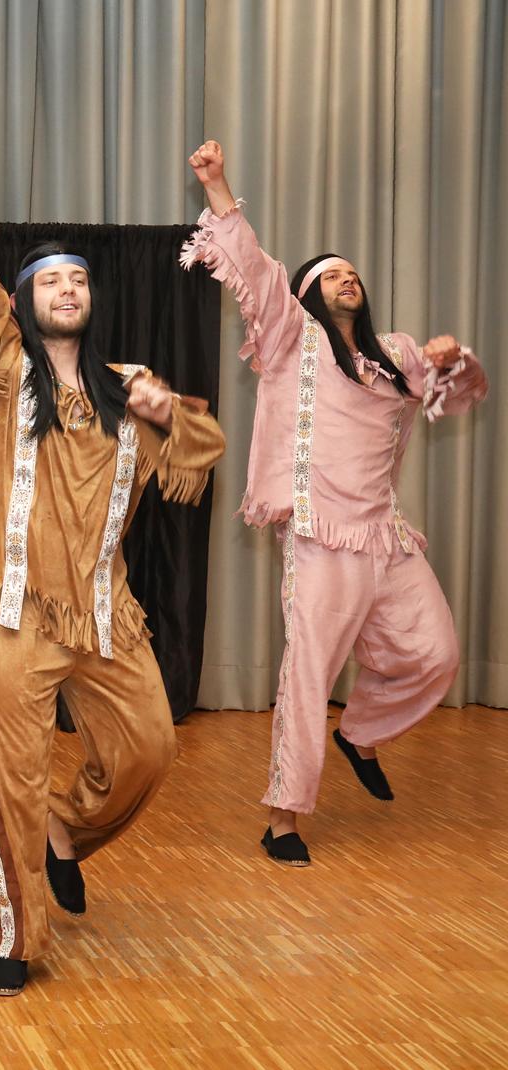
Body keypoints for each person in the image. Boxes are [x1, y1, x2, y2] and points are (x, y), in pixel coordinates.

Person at [0, 112, 225, 996]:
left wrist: (172, 414)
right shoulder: (1, 377)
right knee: (11, 780)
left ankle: (68, 832)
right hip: (18, 612)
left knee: (151, 750)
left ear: (91, 300)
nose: (66, 289)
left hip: (104, 612)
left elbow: (200, 452)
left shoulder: (129, 388)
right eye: (49, 280)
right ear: (24, 302)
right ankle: (19, 937)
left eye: (77, 279)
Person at [182, 139, 488, 867]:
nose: (347, 279)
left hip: (386, 537)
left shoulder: (397, 355)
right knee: (309, 673)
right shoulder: (292, 337)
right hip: (320, 537)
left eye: (354, 274)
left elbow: (459, 393)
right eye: (332, 274)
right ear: (309, 294)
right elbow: (253, 268)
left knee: (437, 654)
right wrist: (218, 184)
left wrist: (455, 359)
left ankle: (360, 734)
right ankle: (283, 818)